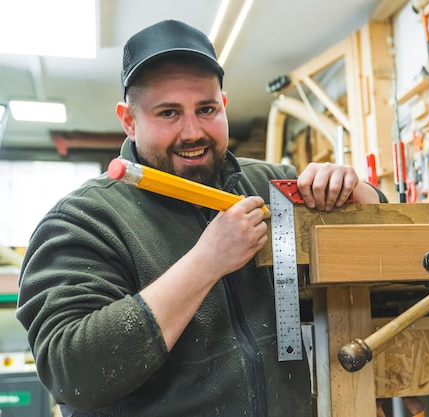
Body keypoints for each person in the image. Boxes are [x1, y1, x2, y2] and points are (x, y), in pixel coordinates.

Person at [15, 19, 386, 417]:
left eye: (206, 109)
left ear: (223, 106)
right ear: (129, 120)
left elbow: (385, 236)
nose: (192, 132)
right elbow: (72, 373)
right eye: (169, 113)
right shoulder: (83, 220)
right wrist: (205, 263)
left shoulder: (268, 184)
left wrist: (355, 191)